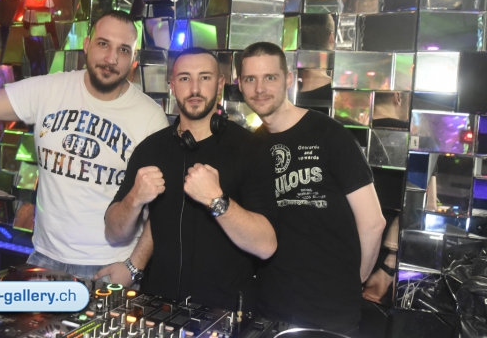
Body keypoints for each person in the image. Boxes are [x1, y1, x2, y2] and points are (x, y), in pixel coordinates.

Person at [0, 10, 169, 279]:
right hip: (45, 258)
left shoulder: (150, 118)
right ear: (86, 44)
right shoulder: (49, 90)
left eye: (123, 50)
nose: (111, 58)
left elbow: (164, 209)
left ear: (133, 59)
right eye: (103, 44)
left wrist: (134, 266)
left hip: (108, 266)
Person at [102, 47, 277, 311]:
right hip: (157, 307)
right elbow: (113, 232)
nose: (194, 88)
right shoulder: (150, 149)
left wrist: (216, 200)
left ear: (220, 83)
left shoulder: (251, 149)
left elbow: (266, 246)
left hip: (225, 312)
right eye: (184, 78)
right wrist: (135, 198)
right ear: (172, 85)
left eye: (205, 77)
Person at [238, 42, 386, 335]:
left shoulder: (329, 134)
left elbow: (373, 223)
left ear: (288, 79)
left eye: (270, 77)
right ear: (239, 84)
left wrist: (351, 282)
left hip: (329, 313)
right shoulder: (250, 146)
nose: (260, 88)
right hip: (270, 307)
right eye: (250, 79)